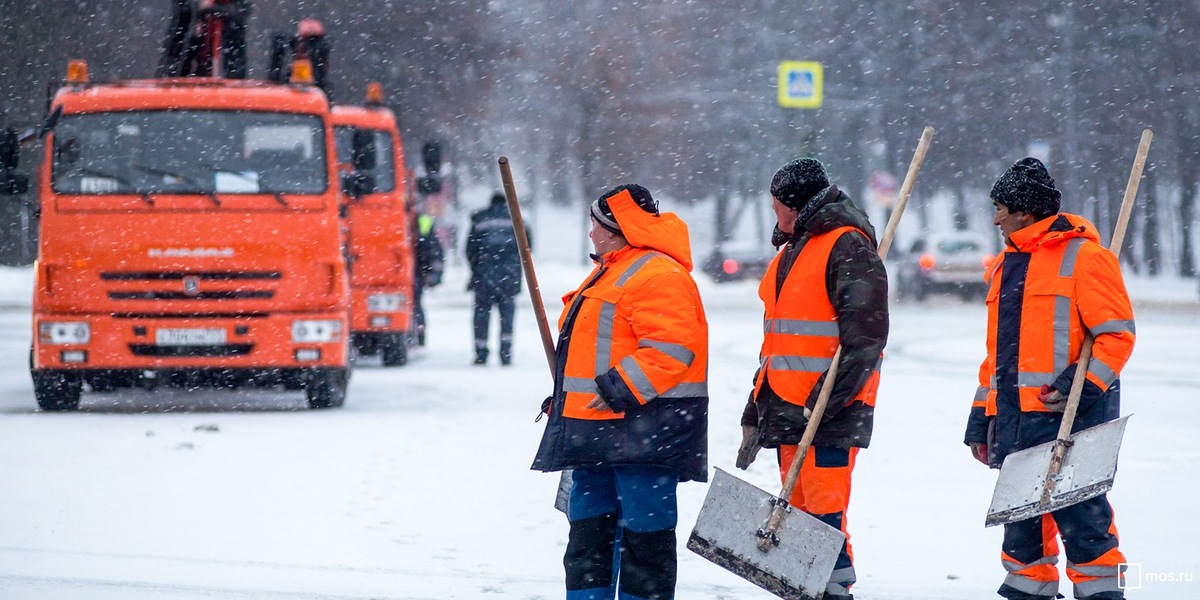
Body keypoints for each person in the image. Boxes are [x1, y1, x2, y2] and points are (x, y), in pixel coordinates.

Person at [965, 157, 1134, 600]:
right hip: (1016, 418)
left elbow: (1116, 337)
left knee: (1083, 515)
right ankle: (1028, 590)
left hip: (1072, 415)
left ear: (1026, 210)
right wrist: (981, 418)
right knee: (1020, 519)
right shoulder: (1006, 265)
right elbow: (997, 359)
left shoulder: (1087, 258)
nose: (996, 217)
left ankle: (1102, 591)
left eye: (1002, 207)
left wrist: (1080, 382)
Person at [531, 184, 708, 600]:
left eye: (594, 224)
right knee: (588, 540)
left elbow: (671, 350)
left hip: (645, 436)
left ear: (615, 226)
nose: (590, 233)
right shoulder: (611, 270)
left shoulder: (658, 275)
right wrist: (565, 398)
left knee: (644, 543)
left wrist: (618, 389)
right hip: (598, 435)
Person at [735, 157, 888, 600]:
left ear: (795, 205)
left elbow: (865, 338)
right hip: (789, 409)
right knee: (800, 521)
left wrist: (828, 400)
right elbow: (778, 345)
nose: (773, 214)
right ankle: (811, 590)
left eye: (777, 205)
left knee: (823, 518)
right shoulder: (791, 253)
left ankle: (833, 592)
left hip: (828, 414)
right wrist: (755, 408)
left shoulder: (847, 245)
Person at [465, 192, 527, 365]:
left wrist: (478, 267)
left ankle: (481, 352)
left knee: (481, 315)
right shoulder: (515, 219)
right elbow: (527, 247)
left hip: (484, 277)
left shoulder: (480, 220)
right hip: (510, 278)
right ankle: (506, 353)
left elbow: (469, 250)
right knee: (507, 316)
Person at [412, 210, 444, 346]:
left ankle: (419, 331)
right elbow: (434, 249)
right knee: (416, 303)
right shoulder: (423, 221)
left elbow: (433, 249)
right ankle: (419, 331)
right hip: (416, 270)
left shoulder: (422, 222)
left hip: (414, 271)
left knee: (415, 303)